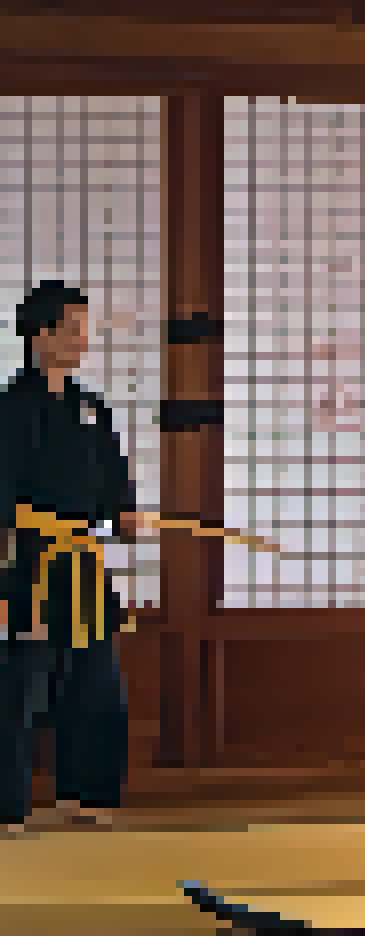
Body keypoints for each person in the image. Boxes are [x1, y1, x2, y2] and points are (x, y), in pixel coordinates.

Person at [0, 281, 158, 835]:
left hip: (80, 562)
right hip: (24, 561)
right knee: (19, 685)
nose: (81, 339)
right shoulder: (8, 410)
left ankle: (84, 793)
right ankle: (7, 807)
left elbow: (114, 480)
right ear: (40, 336)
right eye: (71, 328)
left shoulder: (91, 407)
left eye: (83, 327)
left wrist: (126, 515)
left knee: (95, 680)